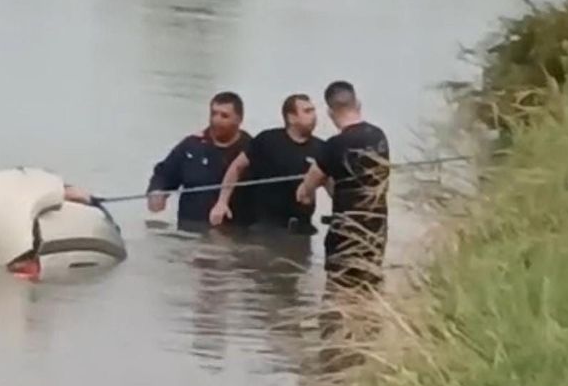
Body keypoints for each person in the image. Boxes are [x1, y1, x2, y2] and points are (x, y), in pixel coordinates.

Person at [296, 81, 390, 292]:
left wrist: (305, 192)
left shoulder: (333, 145)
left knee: (338, 295)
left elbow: (307, 187)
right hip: (376, 230)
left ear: (330, 112)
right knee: (369, 290)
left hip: (345, 232)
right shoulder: (379, 136)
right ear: (358, 103)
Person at [209, 94, 324, 234]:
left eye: (313, 111)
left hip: (302, 229)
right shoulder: (268, 140)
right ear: (291, 117)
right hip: (265, 226)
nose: (314, 116)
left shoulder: (322, 148)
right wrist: (222, 202)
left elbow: (332, 184)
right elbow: (236, 167)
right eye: (307, 111)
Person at [146, 92, 254, 230]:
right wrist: (157, 192)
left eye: (224, 116)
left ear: (239, 119)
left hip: (233, 232)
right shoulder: (191, 145)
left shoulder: (251, 149)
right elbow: (164, 174)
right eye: (213, 114)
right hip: (189, 231)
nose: (216, 120)